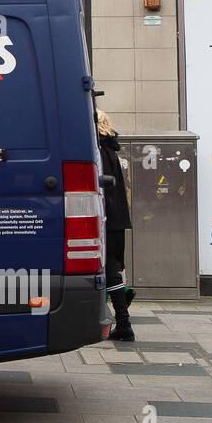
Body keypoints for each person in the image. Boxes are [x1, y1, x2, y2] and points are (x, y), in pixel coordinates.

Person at [96, 109, 134, 341]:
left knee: (110, 270)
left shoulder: (99, 150)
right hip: (117, 216)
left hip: (106, 217)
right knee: (111, 269)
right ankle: (121, 315)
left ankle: (124, 323)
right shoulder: (110, 147)